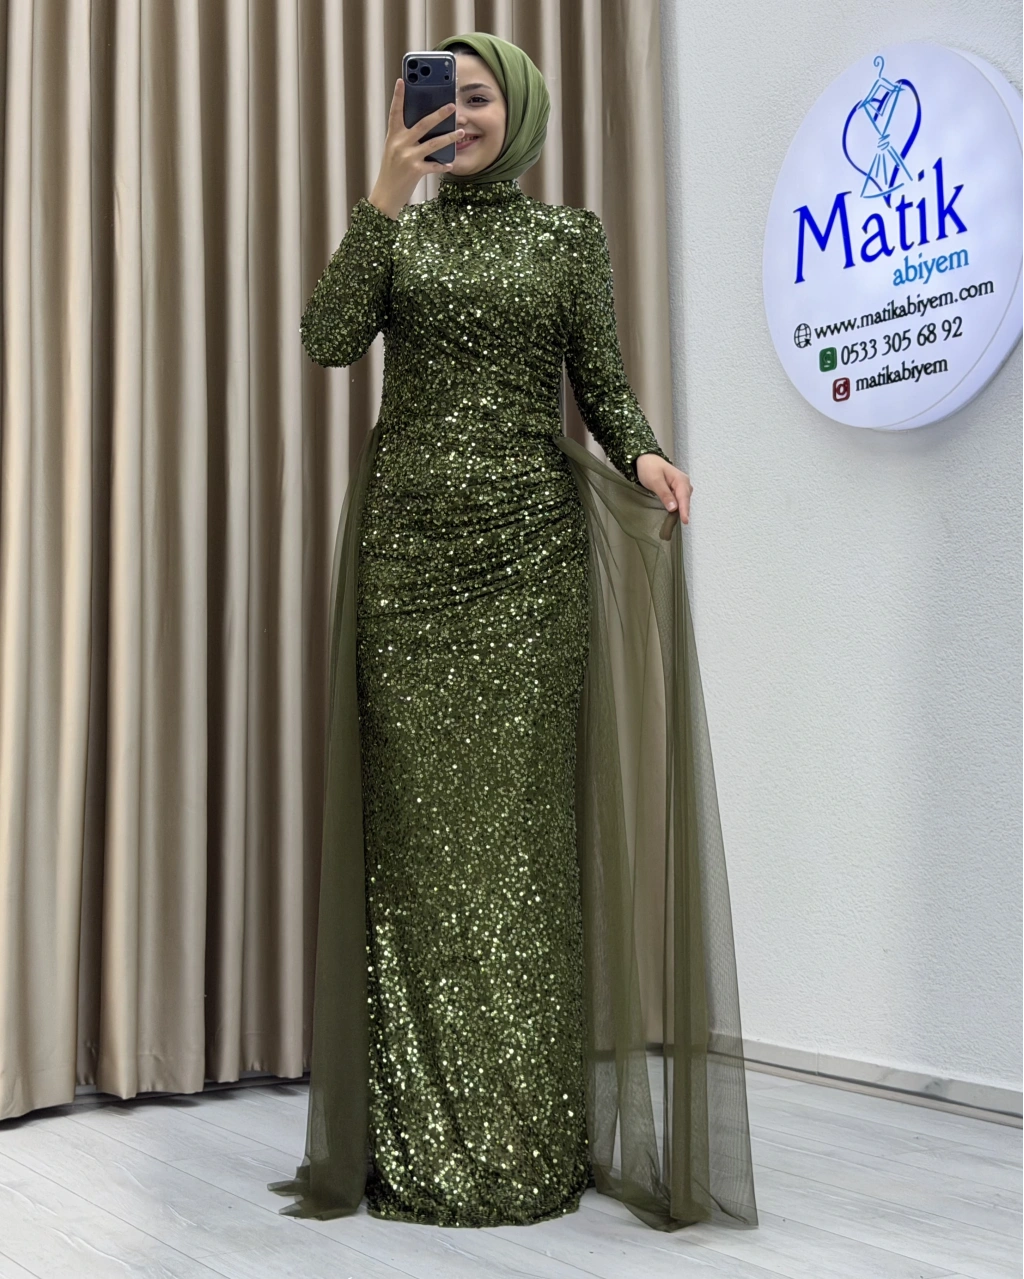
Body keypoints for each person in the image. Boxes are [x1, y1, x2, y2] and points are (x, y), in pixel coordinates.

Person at [269, 32, 757, 1233]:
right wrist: (380, 200)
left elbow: (603, 382)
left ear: (522, 108)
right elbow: (327, 340)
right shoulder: (400, 231)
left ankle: (528, 1139)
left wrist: (645, 454)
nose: (460, 116)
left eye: (480, 96)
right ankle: (420, 1144)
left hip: (529, 564)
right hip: (409, 562)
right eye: (440, 97)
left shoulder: (569, 238)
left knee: (525, 851)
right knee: (418, 846)